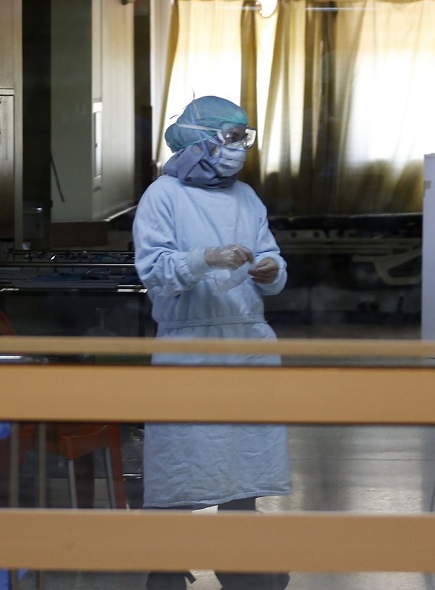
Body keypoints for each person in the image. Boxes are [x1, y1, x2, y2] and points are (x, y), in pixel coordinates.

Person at [132, 95, 291, 590]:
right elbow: (155, 272)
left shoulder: (247, 198)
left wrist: (269, 270)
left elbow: (275, 266)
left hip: (248, 342)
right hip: (190, 346)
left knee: (245, 463)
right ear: (198, 140)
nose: (238, 149)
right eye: (229, 138)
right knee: (182, 464)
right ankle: (166, 567)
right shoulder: (163, 196)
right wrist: (207, 259)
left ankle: (240, 563)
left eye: (244, 138)